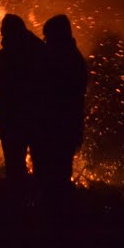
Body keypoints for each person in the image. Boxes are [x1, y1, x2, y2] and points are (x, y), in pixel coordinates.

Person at [0, 14, 47, 194]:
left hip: (15, 126)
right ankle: (43, 214)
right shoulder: (43, 54)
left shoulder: (0, 59)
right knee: (44, 173)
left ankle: (20, 214)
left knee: (16, 175)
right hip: (39, 124)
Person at [34, 14, 89, 197]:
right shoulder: (70, 57)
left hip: (58, 130)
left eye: (47, 36)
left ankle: (55, 217)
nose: (45, 41)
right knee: (57, 177)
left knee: (52, 178)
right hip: (66, 129)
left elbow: (52, 93)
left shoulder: (65, 61)